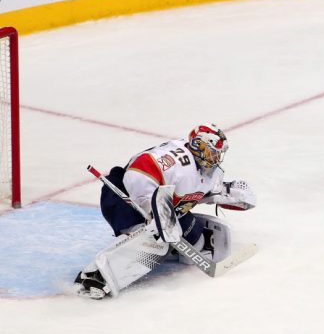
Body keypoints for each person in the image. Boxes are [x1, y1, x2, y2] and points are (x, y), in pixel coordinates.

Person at [74, 124, 256, 299]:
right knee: (150, 241)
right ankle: (95, 277)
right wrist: (152, 211)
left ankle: (170, 248)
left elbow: (203, 191)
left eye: (218, 154)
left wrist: (230, 193)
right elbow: (138, 171)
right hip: (124, 198)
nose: (216, 158)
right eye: (212, 152)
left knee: (197, 240)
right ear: (198, 147)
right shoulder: (177, 161)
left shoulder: (208, 170)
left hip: (167, 208)